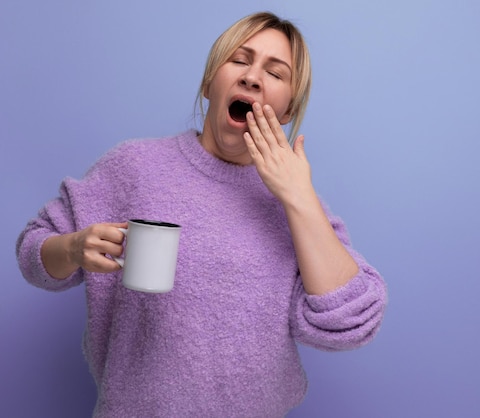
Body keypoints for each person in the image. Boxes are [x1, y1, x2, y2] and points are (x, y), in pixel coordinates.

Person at [16, 11, 387, 418]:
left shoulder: (298, 207)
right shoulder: (133, 166)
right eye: (240, 60)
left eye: (275, 73)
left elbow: (350, 324)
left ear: (285, 111)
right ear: (210, 82)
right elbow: (33, 254)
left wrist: (298, 196)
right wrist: (71, 248)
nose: (251, 77)